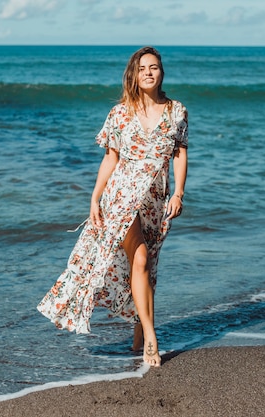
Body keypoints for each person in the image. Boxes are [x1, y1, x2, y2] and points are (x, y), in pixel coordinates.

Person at [37, 46, 188, 367]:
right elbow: (111, 157)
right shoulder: (120, 113)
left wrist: (179, 194)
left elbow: (179, 154)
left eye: (155, 67)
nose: (149, 72)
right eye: (143, 68)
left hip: (155, 200)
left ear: (162, 73)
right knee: (141, 257)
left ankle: (138, 332)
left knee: (147, 267)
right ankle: (150, 339)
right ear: (133, 74)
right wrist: (95, 197)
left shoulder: (177, 111)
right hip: (121, 197)